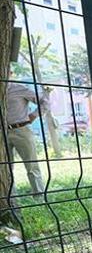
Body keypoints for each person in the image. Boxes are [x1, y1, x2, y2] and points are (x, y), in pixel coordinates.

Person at [5, 70, 47, 199]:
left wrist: (34, 115)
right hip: (3, 133)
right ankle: (10, 198)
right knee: (5, 168)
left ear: (10, 73)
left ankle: (39, 197)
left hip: (21, 130)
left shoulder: (19, 88)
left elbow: (44, 101)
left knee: (31, 165)